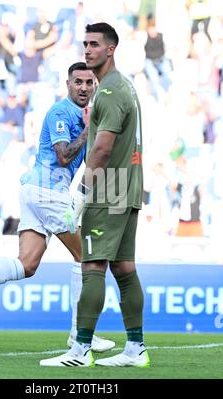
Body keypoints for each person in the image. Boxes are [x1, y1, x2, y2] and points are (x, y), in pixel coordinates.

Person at [0, 62, 115, 353]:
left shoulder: (86, 118)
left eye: (89, 83)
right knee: (88, 257)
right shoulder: (61, 112)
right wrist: (86, 130)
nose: (84, 87)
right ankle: (80, 335)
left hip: (39, 192)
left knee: (27, 264)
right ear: (67, 85)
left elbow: (88, 164)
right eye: (78, 82)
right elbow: (62, 156)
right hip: (46, 191)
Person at [40, 23, 150, 367]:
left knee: (91, 265)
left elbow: (101, 149)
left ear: (110, 49)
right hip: (128, 186)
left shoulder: (109, 92)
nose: (87, 50)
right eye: (85, 44)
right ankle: (135, 349)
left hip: (109, 189)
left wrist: (83, 192)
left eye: (94, 45)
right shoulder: (123, 87)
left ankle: (80, 351)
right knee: (124, 268)